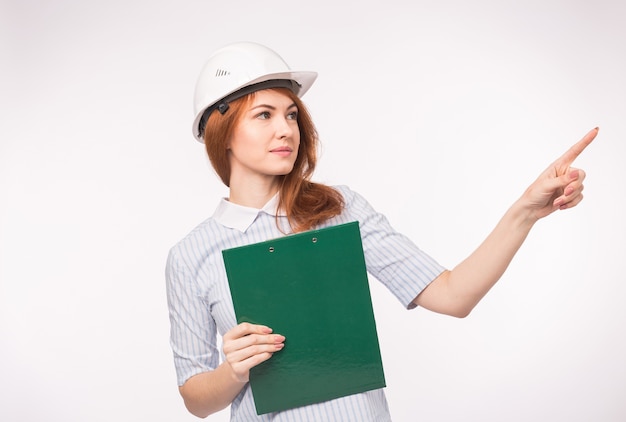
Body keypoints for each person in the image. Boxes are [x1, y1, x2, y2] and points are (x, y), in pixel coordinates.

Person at [165, 41, 597, 421]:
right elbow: (195, 399)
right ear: (223, 133)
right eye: (265, 114)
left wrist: (525, 209)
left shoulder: (339, 208)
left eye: (292, 115)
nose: (286, 129)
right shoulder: (191, 256)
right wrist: (233, 371)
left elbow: (452, 295)